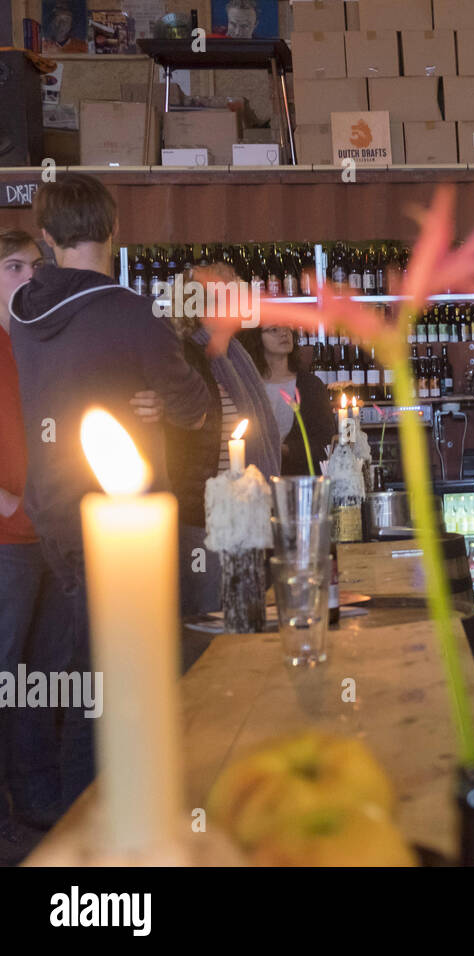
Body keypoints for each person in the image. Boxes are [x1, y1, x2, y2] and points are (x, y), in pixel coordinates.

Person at [8, 174, 209, 816]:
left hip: (55, 513)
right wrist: (152, 400)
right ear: (114, 229)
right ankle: (100, 817)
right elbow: (196, 408)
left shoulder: (21, 312)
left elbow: (74, 385)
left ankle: (86, 812)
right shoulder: (132, 312)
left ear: (46, 237)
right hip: (125, 520)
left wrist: (129, 396)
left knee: (83, 671)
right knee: (124, 676)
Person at [141, 262, 281, 618]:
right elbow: (178, 423)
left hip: (241, 513)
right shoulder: (182, 353)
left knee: (242, 612)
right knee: (209, 617)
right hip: (201, 516)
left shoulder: (235, 354)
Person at [0, 231, 68, 863]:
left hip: (50, 538)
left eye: (36, 267)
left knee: (36, 681)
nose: (28, 278)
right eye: (13, 266)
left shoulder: (38, 342)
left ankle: (38, 799)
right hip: (5, 543)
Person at [236, 325, 333, 476]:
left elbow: (326, 442)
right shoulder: (247, 385)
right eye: (273, 329)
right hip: (255, 479)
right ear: (257, 338)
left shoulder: (310, 385)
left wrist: (288, 450)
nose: (284, 333)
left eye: (287, 328)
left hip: (299, 481)